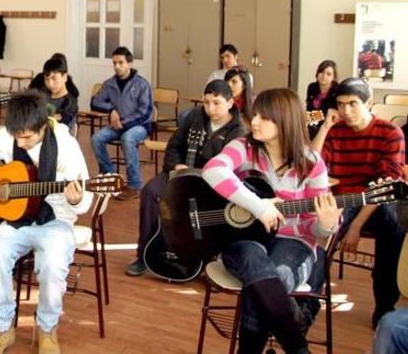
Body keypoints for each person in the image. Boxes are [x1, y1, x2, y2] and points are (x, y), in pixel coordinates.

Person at [201, 88, 339, 354]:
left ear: (285, 120)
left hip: (293, 241)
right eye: (255, 115)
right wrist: (259, 206)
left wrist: (326, 224)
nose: (253, 122)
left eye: (264, 117)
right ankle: (297, 346)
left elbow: (314, 227)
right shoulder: (243, 147)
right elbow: (213, 170)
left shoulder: (312, 163)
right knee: (259, 268)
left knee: (269, 281)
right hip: (243, 239)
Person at [0, 89, 92, 354]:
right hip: (17, 220)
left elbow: (86, 200)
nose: (20, 144)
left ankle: (46, 329)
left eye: (27, 138)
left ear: (43, 126)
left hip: (55, 221)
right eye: (17, 138)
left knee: (53, 265)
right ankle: (2, 328)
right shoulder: (11, 135)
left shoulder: (67, 146)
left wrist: (76, 199)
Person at [125, 80, 246, 276]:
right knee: (150, 192)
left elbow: (230, 170)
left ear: (231, 103)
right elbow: (174, 145)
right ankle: (144, 254)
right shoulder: (195, 116)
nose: (210, 108)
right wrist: (175, 166)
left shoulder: (238, 131)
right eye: (206, 102)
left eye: (216, 103)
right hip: (179, 174)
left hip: (210, 185)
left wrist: (196, 175)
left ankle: (204, 259)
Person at [312, 77, 406, 327]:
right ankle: (306, 302)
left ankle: (385, 307)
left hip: (377, 201)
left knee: (393, 222)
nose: (346, 111)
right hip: (343, 199)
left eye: (353, 104)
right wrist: (324, 127)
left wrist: (355, 227)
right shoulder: (336, 130)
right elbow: (312, 167)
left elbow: (386, 187)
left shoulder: (390, 133)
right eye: (341, 105)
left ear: (369, 103)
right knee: (318, 232)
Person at [90, 46, 152, 195]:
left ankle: (134, 185)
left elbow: (146, 111)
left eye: (121, 63)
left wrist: (124, 123)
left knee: (128, 137)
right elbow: (95, 102)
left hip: (139, 126)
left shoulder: (142, 84)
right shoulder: (109, 83)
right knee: (96, 138)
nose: (117, 66)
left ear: (129, 64)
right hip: (116, 125)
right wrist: (111, 110)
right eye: (114, 63)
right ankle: (111, 177)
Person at [35, 57, 78, 130]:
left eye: (54, 79)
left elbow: (58, 127)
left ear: (64, 77)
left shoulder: (69, 103)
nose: (50, 84)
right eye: (47, 79)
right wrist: (51, 119)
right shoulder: (43, 96)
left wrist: (41, 119)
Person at [305, 60, 338, 139]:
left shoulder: (337, 90)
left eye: (328, 74)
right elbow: (309, 108)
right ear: (317, 73)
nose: (324, 76)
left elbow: (329, 115)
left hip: (328, 129)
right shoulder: (312, 87)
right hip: (311, 126)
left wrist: (308, 118)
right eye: (321, 72)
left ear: (333, 77)